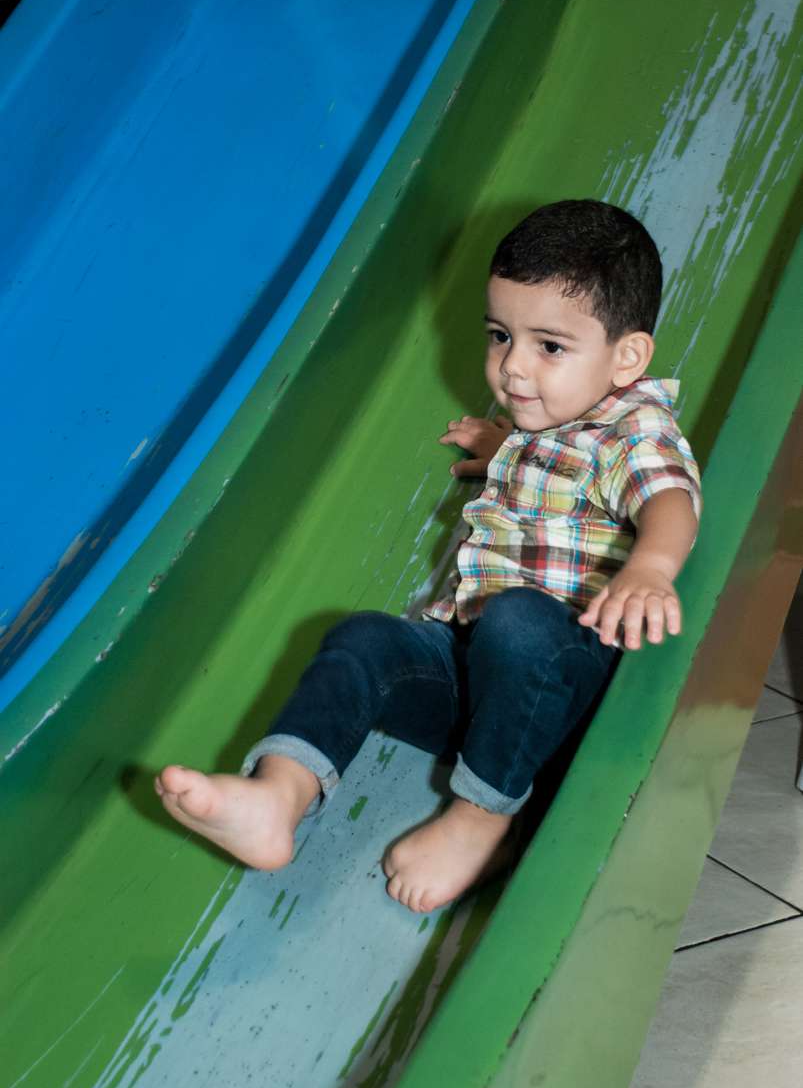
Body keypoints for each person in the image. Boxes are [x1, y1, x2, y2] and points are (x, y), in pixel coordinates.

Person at [155, 199, 701, 915]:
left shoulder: (633, 428)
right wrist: (504, 447)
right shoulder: (554, 424)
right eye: (500, 335)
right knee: (364, 639)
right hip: (478, 681)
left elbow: (668, 498)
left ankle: (481, 821)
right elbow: (555, 468)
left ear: (626, 356)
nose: (511, 367)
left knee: (516, 622)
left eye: (549, 347)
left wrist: (651, 567)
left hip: (564, 687)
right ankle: (277, 795)